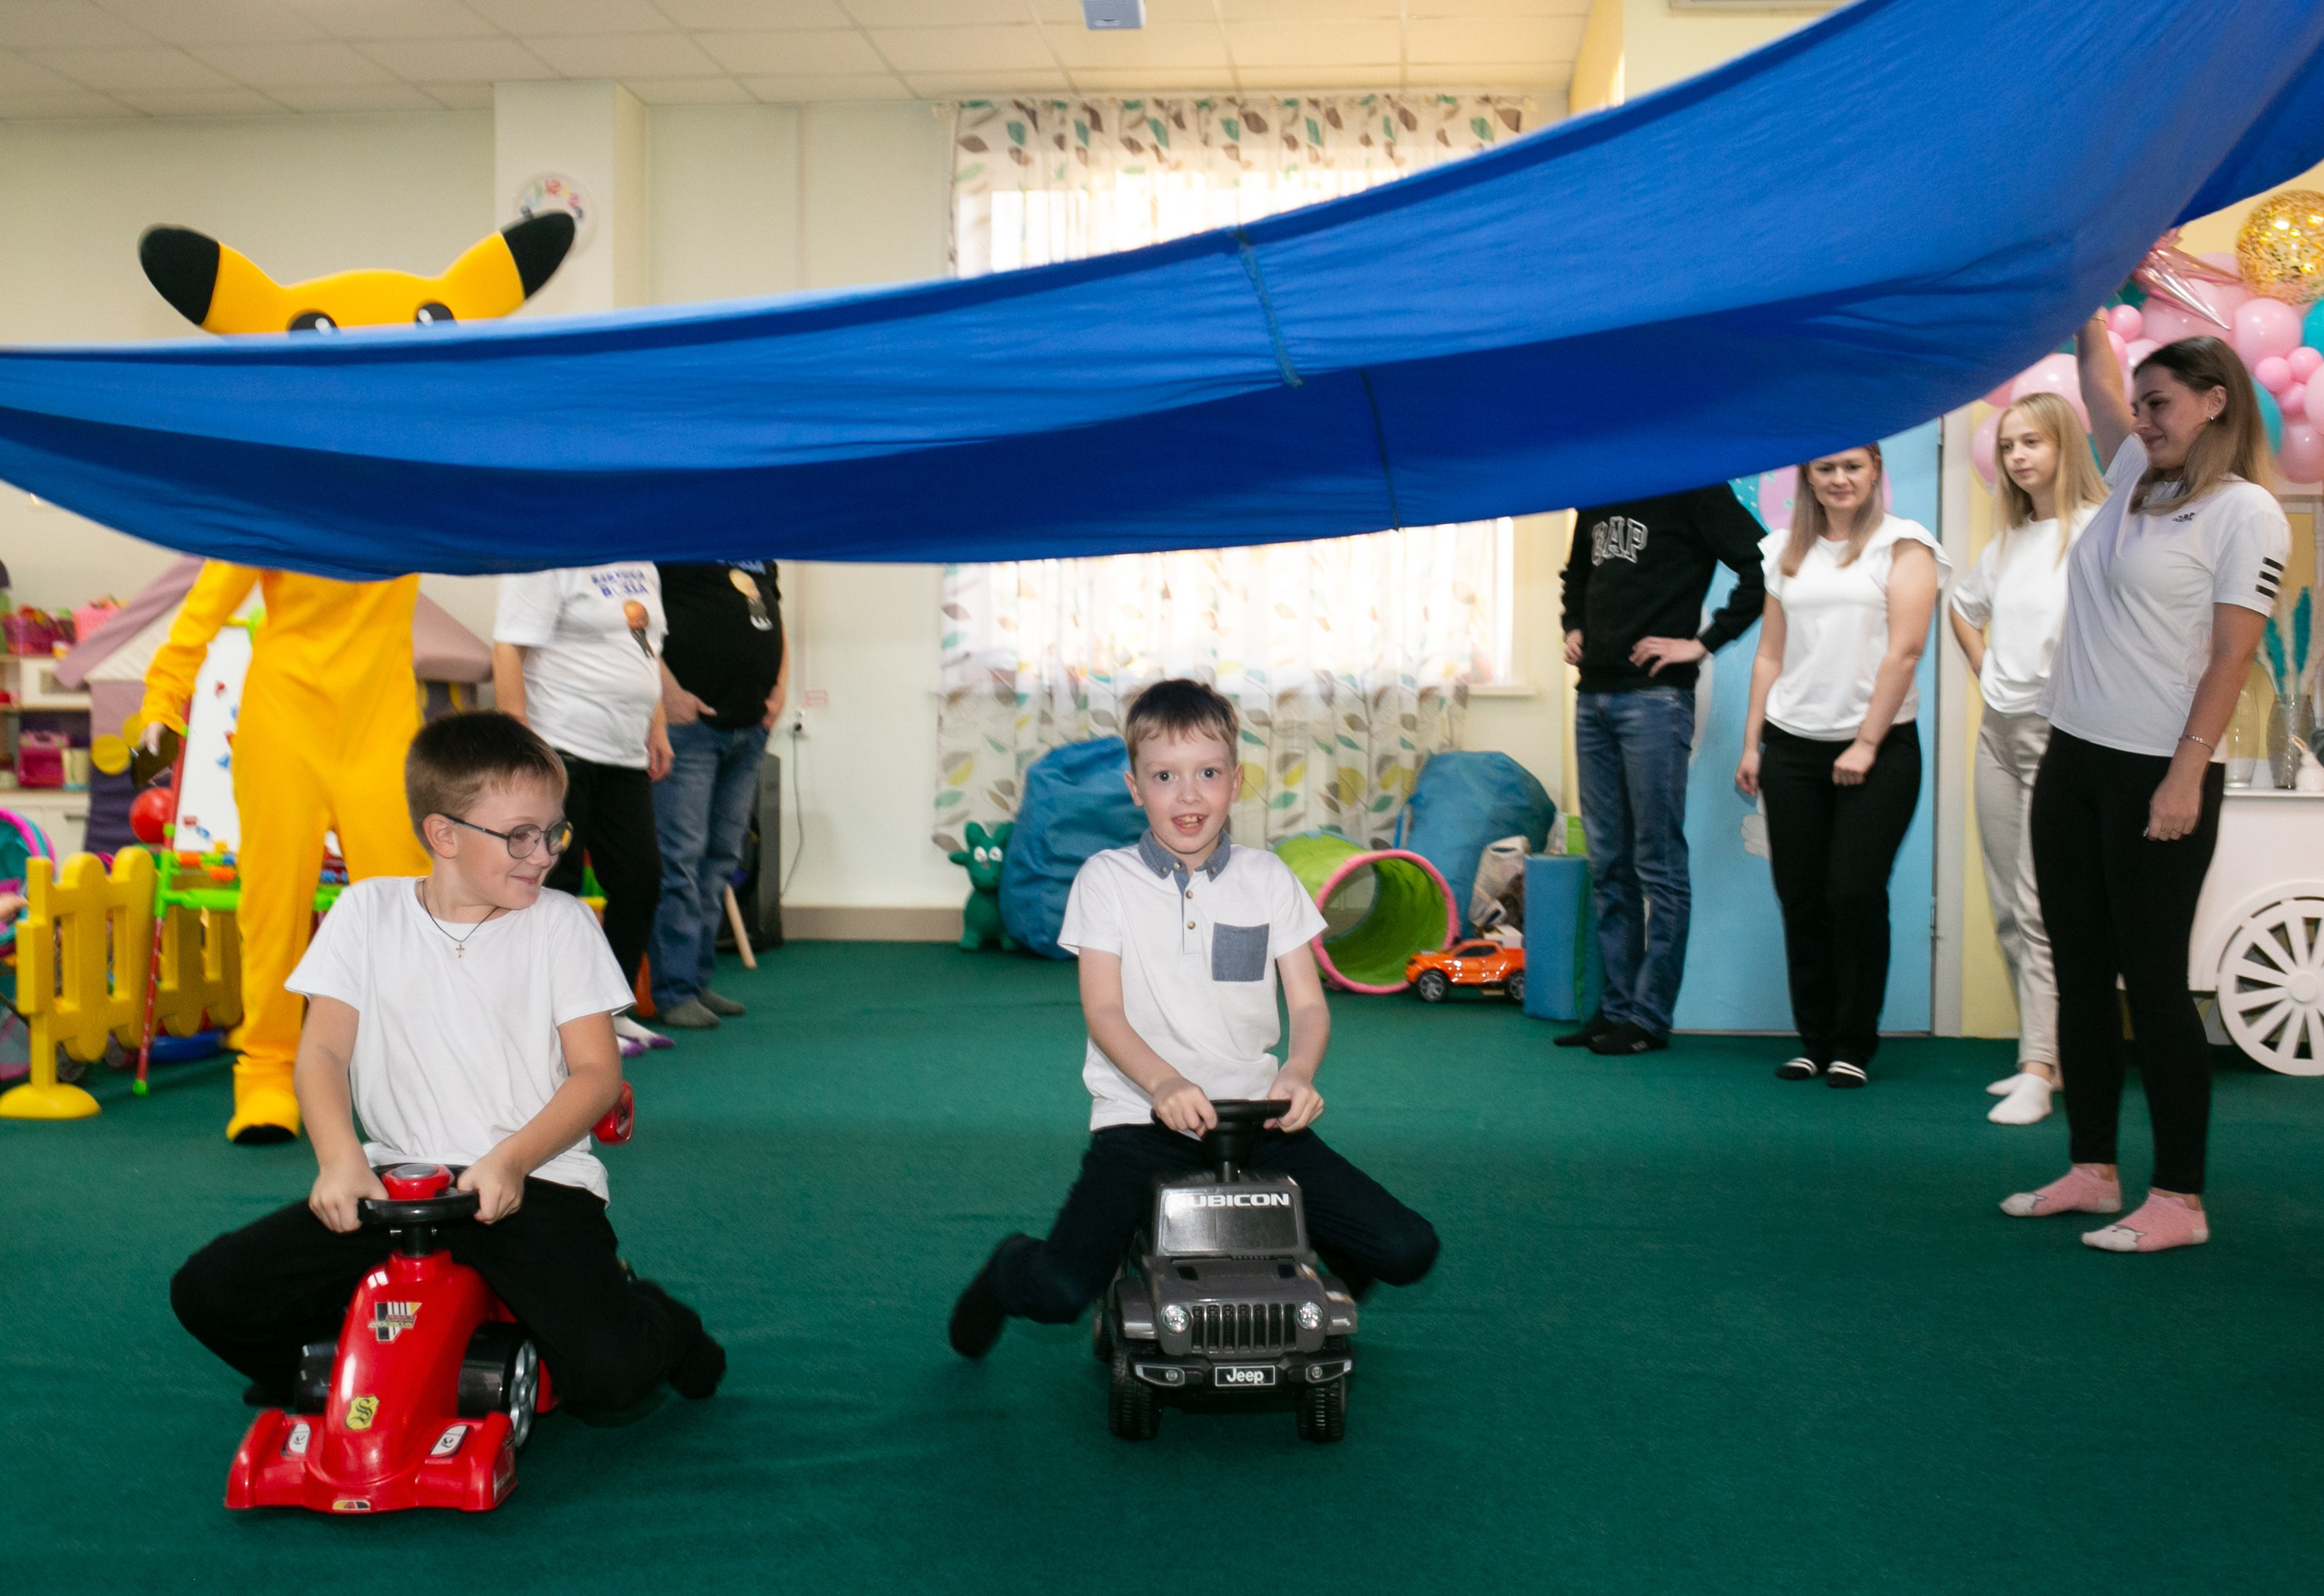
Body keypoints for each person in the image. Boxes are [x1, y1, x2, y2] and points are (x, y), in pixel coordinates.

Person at [169, 712, 725, 1412]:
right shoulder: (366, 912)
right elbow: (323, 1051)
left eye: (554, 831)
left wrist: (513, 1159)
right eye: (520, 835)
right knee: (209, 1292)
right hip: (397, 1184)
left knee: (608, 1382)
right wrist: (342, 1161)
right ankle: (351, 1373)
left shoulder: (562, 924)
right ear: (443, 834)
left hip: (535, 1181)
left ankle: (654, 1316)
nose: (544, 852)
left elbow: (597, 1074)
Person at [947, 679, 1439, 1355]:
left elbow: (1307, 1003)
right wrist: (1165, 1084)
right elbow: (1104, 1010)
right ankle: (1009, 1268)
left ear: (1235, 783)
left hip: (1257, 1121)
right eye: (1165, 776)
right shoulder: (1105, 879)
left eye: (1207, 774)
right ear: (1134, 787)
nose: (1187, 795)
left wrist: (1297, 1071)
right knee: (1062, 1290)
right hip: (1142, 1122)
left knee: (1407, 1249)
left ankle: (1305, 1283)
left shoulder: (1268, 878)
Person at [2002, 328, 2288, 1254]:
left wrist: (2185, 773)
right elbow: (2094, 380)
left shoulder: (2249, 515)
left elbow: (2232, 655)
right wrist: (2088, 278)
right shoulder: (2133, 476)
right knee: (2081, 976)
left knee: (2154, 986)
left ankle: (2179, 1198)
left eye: (2160, 402)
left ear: (2214, 401)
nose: (2143, 417)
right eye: (2142, 402)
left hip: (2156, 772)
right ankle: (2091, 1169)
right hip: (2073, 761)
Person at [1736, 446, 1946, 1089]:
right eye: (1825, 468)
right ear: (1807, 477)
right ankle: (1815, 1040)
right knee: (1800, 898)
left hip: (1879, 752)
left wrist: (1865, 742)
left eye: (1852, 465)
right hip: (1791, 749)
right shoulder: (1782, 553)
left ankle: (1854, 1042)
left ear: (1876, 470)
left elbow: (1906, 652)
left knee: (1852, 893)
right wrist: (1753, 744)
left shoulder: (1906, 546)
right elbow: (1770, 655)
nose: (1839, 478)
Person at [1558, 485, 1769, 1055]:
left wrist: (1702, 643)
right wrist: (1573, 625)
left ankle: (1649, 1019)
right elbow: (1575, 576)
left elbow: (1763, 565)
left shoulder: (1697, 488)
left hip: (1655, 700)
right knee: (1608, 863)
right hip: (1593, 698)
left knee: (1658, 863)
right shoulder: (1598, 492)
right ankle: (1617, 1008)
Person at [1949, 393, 2106, 1126]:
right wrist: (1986, 670)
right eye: (2009, 445)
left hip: (2057, 738)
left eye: (2031, 443)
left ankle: (2040, 1068)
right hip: (1997, 735)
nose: (2017, 457)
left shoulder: (2098, 530)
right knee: (2010, 906)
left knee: (2041, 905)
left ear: (2065, 445)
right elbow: (1963, 605)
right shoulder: (2007, 543)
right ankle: (2045, 1054)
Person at [494, 563, 675, 1058]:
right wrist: (520, 743)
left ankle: (607, 1013)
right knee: (555, 886)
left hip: (623, 754)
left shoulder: (642, 561)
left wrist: (655, 726)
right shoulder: (547, 553)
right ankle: (546, 1023)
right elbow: (509, 645)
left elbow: (644, 649)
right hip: (560, 749)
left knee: (640, 881)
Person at [650, 562, 787, 1031]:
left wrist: (780, 690)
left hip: (749, 730)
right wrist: (667, 692)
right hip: (689, 729)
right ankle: (673, 990)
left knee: (721, 858)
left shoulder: (760, 551)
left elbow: (775, 617)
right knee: (680, 859)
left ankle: (696, 980)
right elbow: (638, 623)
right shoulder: (670, 542)